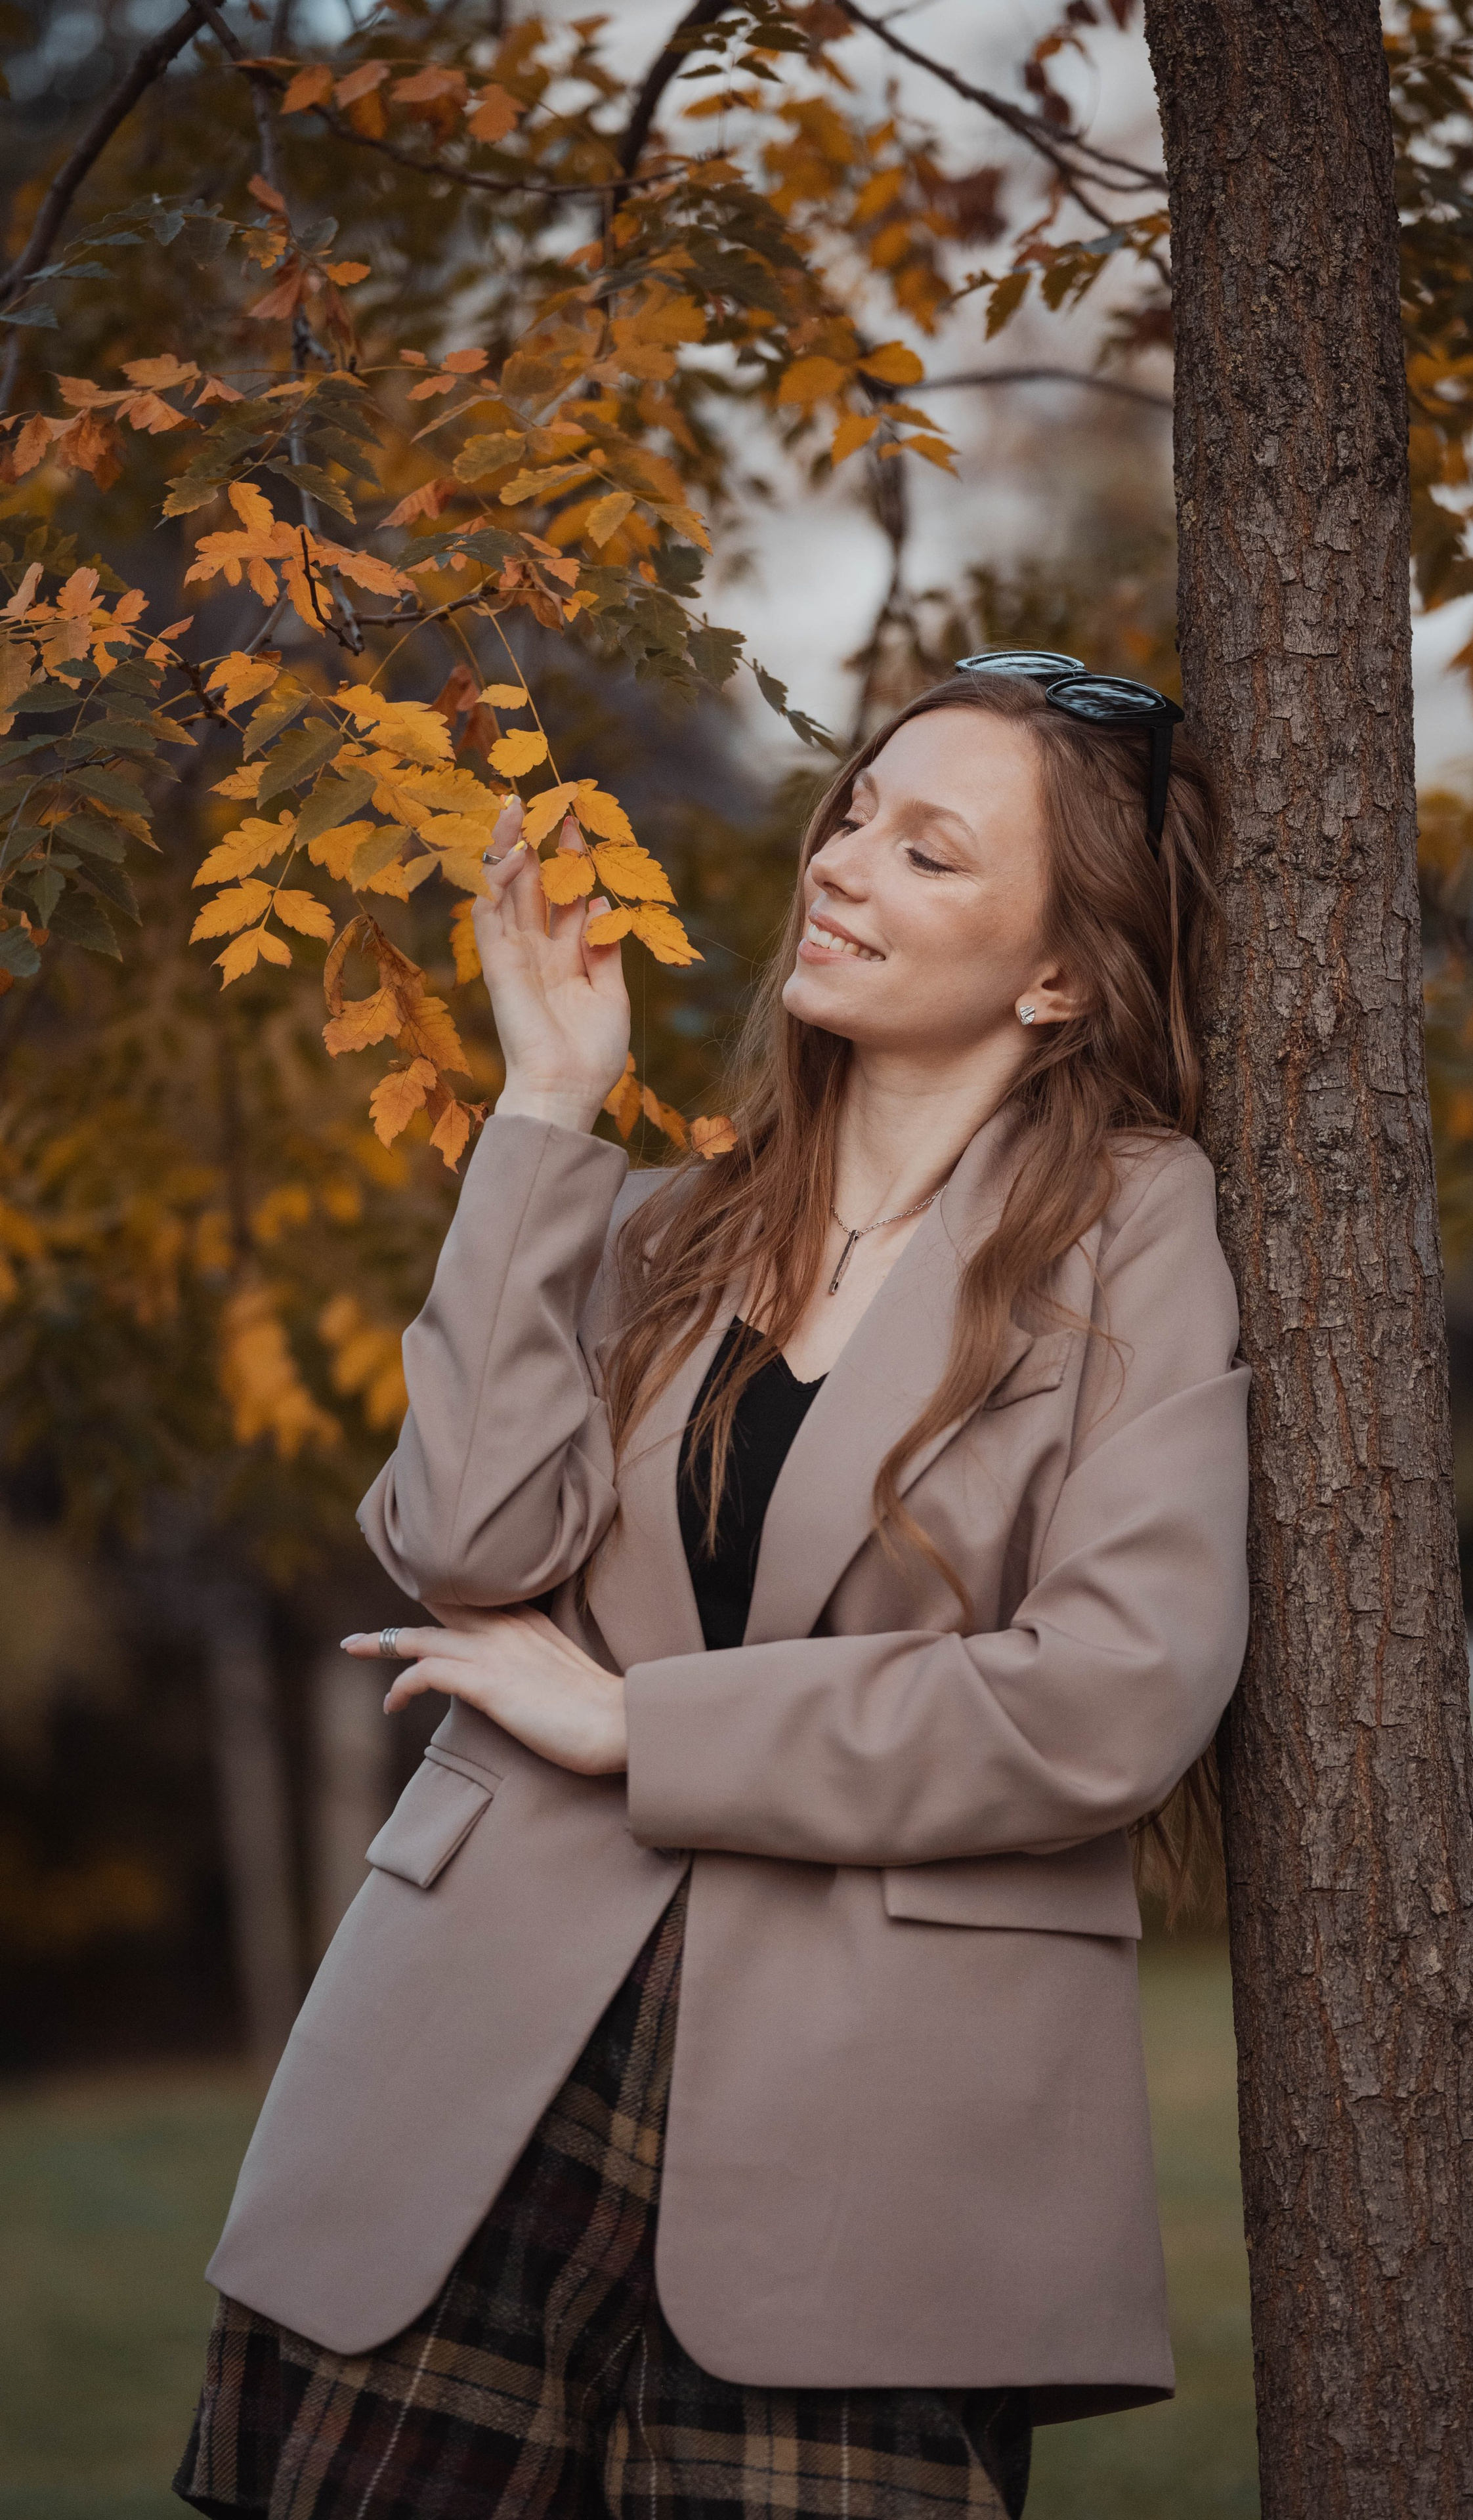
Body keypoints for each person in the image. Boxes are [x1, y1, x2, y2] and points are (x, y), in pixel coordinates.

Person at [175, 652, 1251, 2520]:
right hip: (466, 2077)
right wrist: (544, 1115)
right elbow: (466, 1546)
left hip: (876, 2146)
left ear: (1060, 971)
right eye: (854, 818)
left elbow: (1110, 1694)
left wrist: (632, 1720)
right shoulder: (676, 1216)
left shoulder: (1144, 1230)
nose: (839, 867)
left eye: (929, 854)